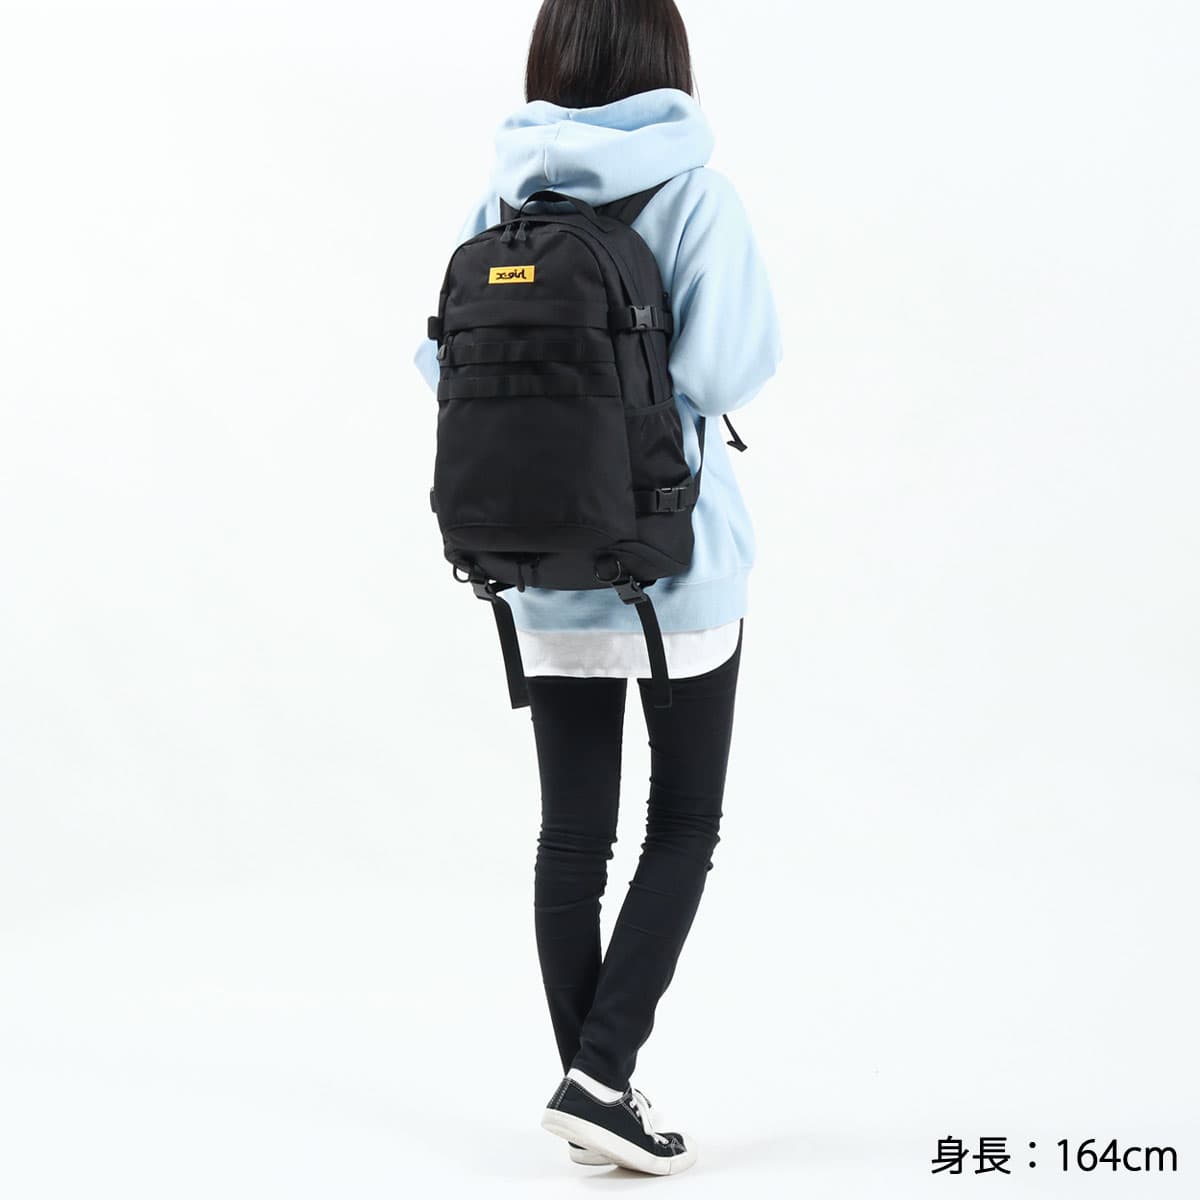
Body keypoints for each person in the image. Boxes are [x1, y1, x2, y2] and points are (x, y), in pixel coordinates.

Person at [414, 0, 781, 1176]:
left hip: (538, 564)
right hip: (674, 564)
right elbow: (728, 368)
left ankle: (594, 1088)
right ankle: (601, 1080)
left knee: (573, 835)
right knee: (684, 822)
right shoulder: (696, 196)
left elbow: (435, 360)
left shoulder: (503, 203)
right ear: (666, 60)